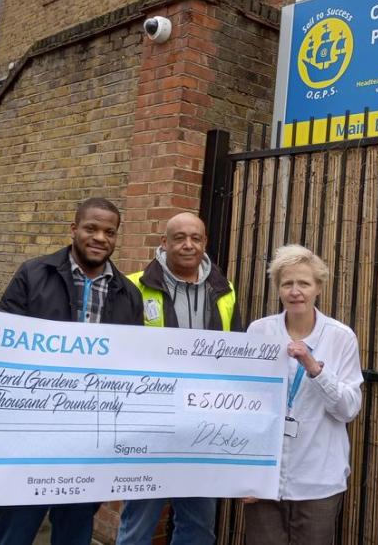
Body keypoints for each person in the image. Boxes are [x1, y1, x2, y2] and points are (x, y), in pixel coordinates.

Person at [0, 197, 144, 545]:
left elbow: (132, 365)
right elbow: (3, 348)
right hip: (31, 431)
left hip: (88, 438)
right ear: (74, 229)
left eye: (109, 231)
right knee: (17, 526)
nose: (100, 238)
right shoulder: (34, 275)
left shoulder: (128, 294)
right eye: (91, 228)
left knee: (75, 529)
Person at [116, 211, 241, 545]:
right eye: (179, 238)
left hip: (203, 425)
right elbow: (117, 353)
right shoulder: (133, 285)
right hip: (149, 423)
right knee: (138, 523)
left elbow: (236, 355)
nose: (188, 245)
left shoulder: (224, 290)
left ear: (205, 243)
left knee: (198, 525)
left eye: (195, 238)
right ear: (164, 243)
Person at [243, 244, 363, 545]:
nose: (296, 291)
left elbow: (348, 409)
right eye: (288, 283)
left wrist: (315, 369)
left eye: (304, 283)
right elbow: (244, 405)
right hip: (265, 480)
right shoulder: (259, 332)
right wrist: (243, 473)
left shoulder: (341, 337)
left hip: (318, 480)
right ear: (278, 288)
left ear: (318, 287)